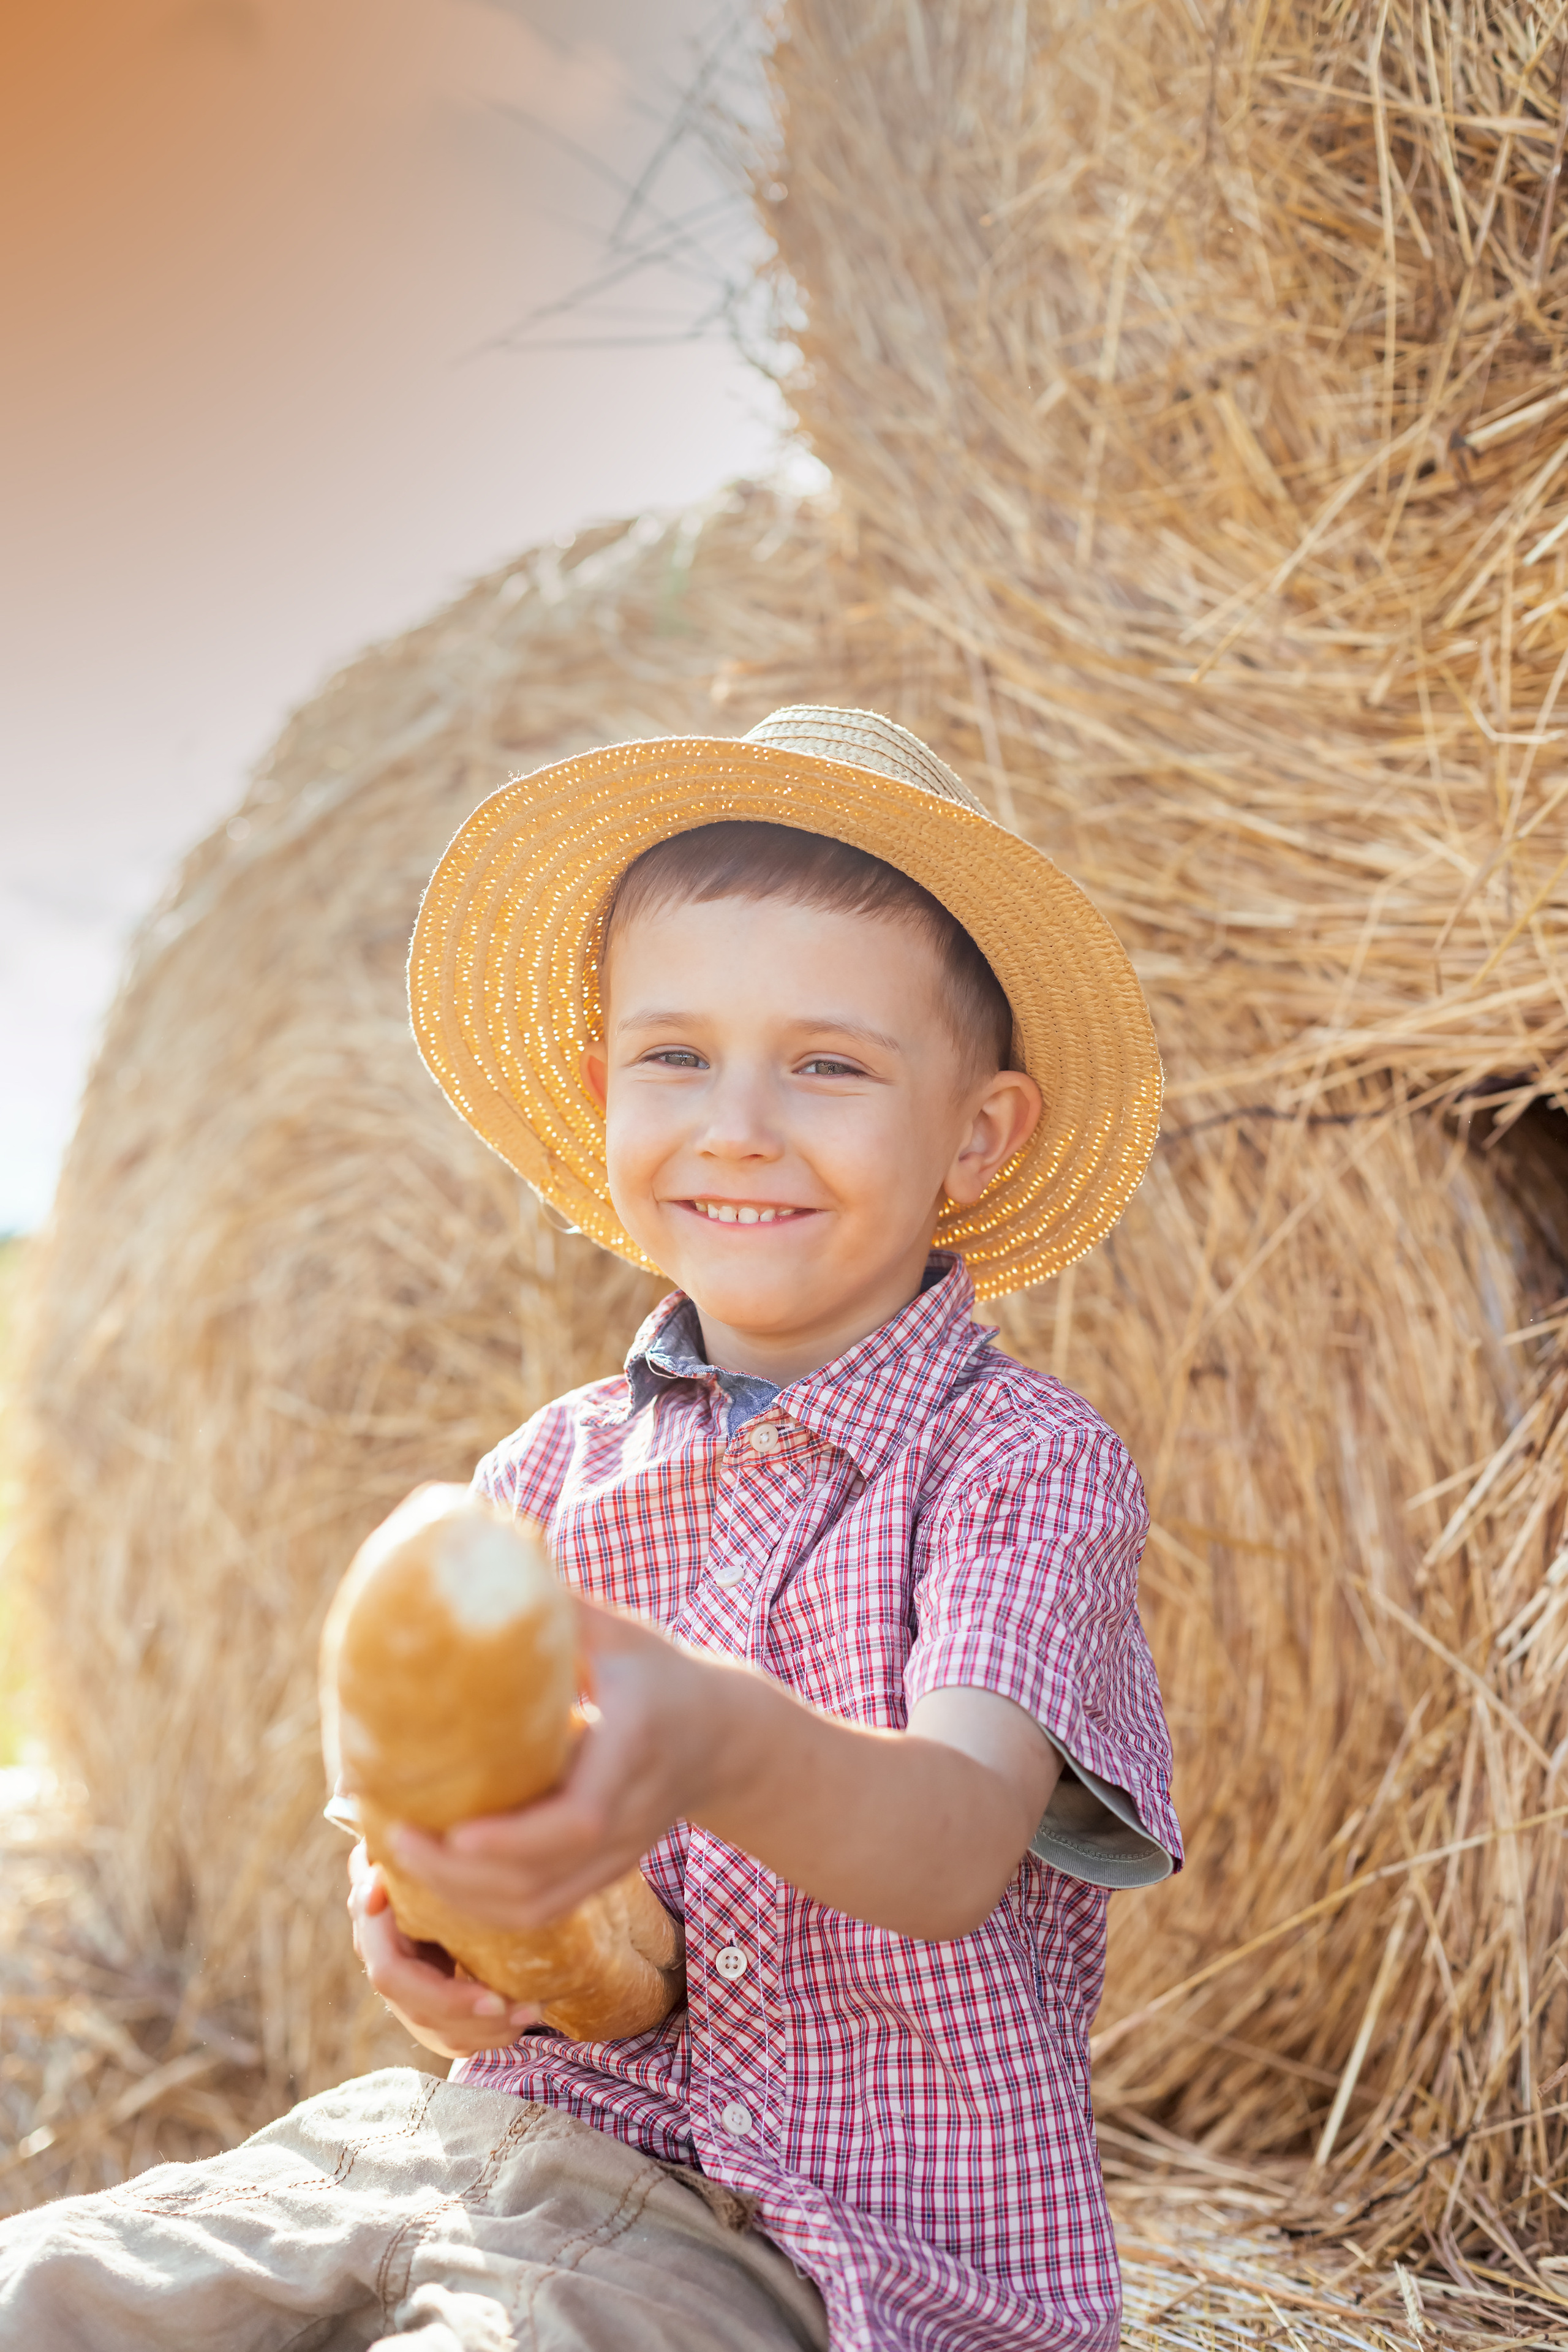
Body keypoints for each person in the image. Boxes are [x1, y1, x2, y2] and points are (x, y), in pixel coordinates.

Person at [0, 706, 1180, 2351]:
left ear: (977, 1136)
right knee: (47, 2289)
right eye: (675, 1056)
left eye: (829, 1065)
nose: (738, 1122)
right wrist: (429, 1946)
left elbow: (951, 1848)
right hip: (459, 2149)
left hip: (809, 2253)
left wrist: (713, 1734)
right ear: (598, 1086)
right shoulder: (541, 1476)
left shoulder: (1022, 1468)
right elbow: (481, 1877)